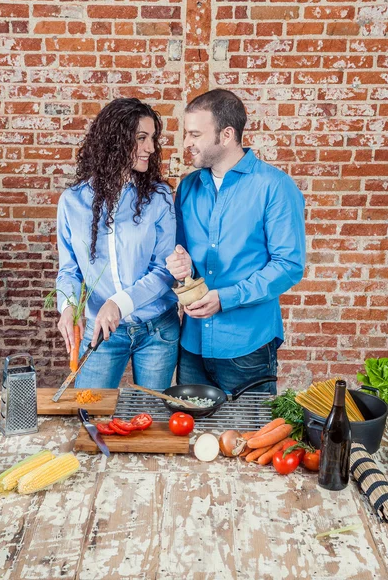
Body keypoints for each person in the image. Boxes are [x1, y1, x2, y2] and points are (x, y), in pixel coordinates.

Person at [166, 89, 306, 395]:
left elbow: (289, 266)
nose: (186, 143)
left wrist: (225, 298)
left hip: (247, 346)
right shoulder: (188, 187)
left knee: (251, 437)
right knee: (194, 438)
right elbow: (179, 254)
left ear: (227, 134)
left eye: (195, 134)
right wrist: (180, 263)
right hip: (192, 344)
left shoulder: (274, 187)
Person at [56, 98, 179, 390]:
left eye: (152, 139)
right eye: (141, 138)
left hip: (157, 331)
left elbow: (165, 270)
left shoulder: (158, 197)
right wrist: (68, 307)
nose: (151, 147)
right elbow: (69, 270)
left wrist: (118, 303)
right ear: (116, 140)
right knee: (88, 411)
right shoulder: (72, 202)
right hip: (103, 332)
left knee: (152, 418)